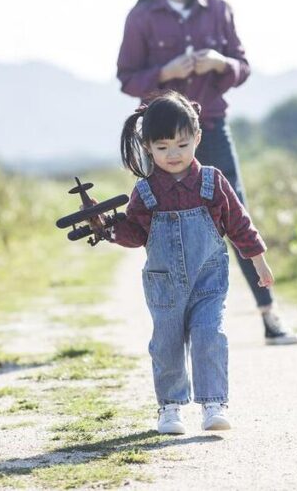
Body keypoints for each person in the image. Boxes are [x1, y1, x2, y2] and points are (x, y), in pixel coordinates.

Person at [116, 0, 297, 346]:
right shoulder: (141, 17)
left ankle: (270, 315)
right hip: (161, 139)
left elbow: (242, 67)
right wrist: (166, 73)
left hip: (211, 129)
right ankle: (173, 321)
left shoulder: (218, 9)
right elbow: (127, 78)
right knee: (161, 222)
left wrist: (219, 62)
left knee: (234, 213)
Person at [108, 91, 274, 434]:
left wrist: (259, 262)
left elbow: (239, 225)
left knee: (208, 333)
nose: (173, 154)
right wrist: (108, 228)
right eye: (163, 146)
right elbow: (135, 235)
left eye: (182, 145)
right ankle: (170, 408)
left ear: (197, 138)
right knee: (166, 343)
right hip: (164, 284)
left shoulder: (213, 181)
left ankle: (214, 404)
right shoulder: (146, 191)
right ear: (148, 145)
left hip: (208, 281)